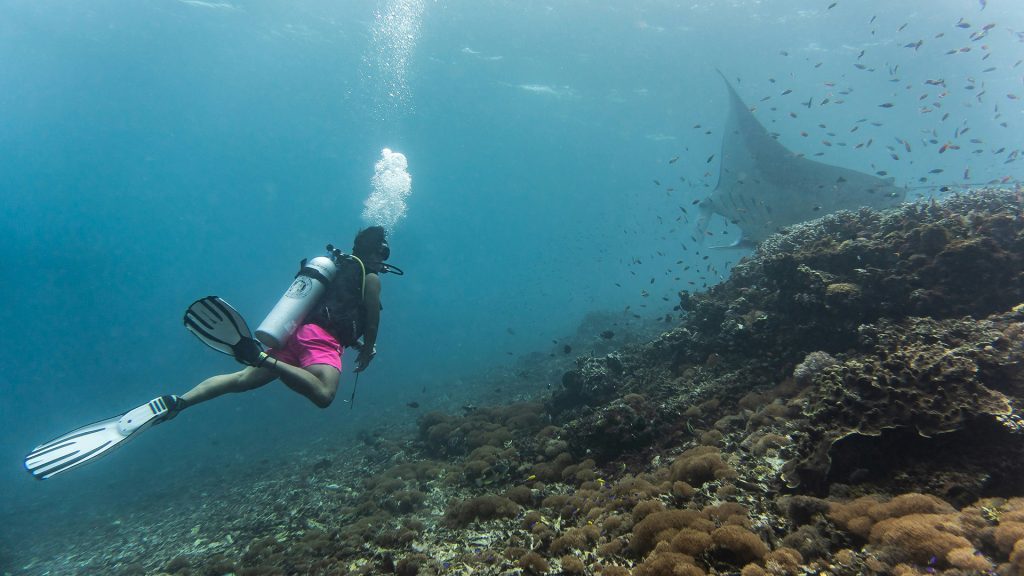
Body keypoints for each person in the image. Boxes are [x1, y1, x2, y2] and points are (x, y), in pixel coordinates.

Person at [172, 226, 388, 413]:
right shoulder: (370, 278)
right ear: (376, 251)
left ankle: (180, 402)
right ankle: (261, 358)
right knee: (324, 394)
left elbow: (334, 310)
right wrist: (368, 350)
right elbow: (372, 320)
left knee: (242, 380)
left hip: (296, 333)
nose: (384, 260)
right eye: (384, 253)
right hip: (320, 341)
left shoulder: (341, 269)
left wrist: (356, 343)